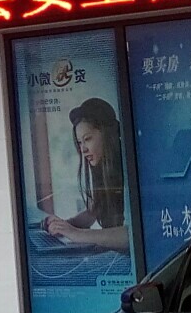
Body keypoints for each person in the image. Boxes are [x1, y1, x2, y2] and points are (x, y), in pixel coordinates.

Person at [43, 97, 130, 253]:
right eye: (79, 142)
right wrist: (65, 225)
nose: (83, 149)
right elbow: (94, 210)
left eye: (87, 139)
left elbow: (130, 234)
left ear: (107, 134)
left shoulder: (129, 168)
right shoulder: (103, 169)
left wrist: (77, 234)